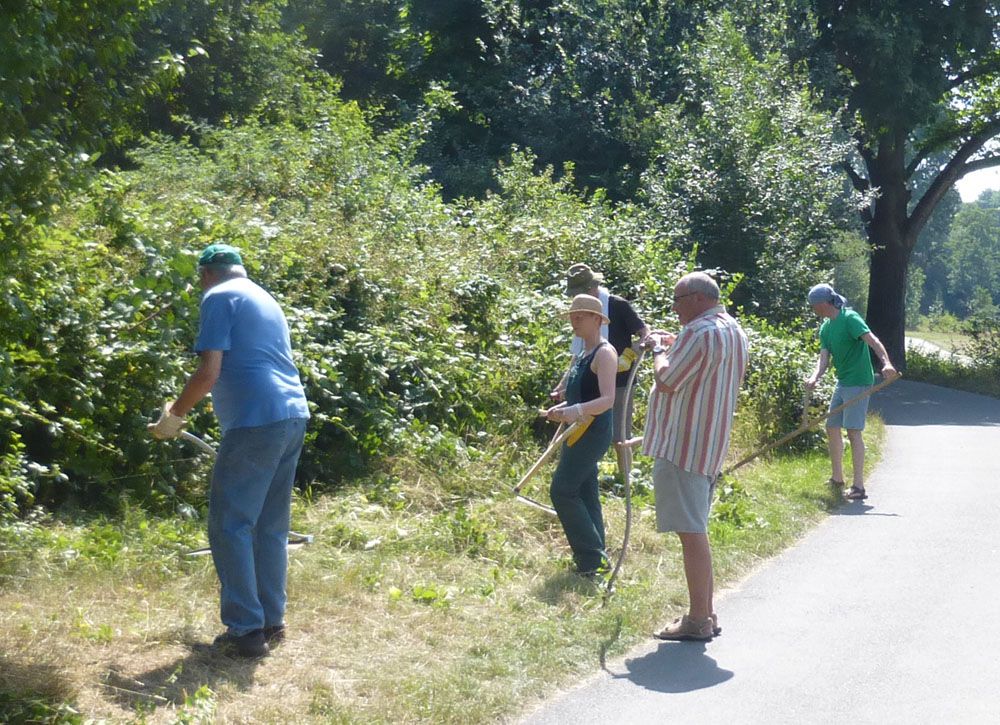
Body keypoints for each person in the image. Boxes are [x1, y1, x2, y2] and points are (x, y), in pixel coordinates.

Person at [148, 243, 310, 658]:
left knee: (230, 524)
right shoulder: (262, 296)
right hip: (292, 414)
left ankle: (245, 631)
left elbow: (209, 372)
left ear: (205, 274)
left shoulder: (218, 297)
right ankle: (271, 622)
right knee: (269, 526)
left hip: (255, 420)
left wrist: (174, 416)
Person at [642, 272, 748, 641]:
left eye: (678, 299)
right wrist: (674, 344)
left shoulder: (699, 333)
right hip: (708, 446)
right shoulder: (731, 329)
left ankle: (698, 619)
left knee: (691, 534)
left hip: (682, 447)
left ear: (698, 298)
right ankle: (707, 613)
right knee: (696, 530)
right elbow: (703, 369)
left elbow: (668, 379)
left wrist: (658, 349)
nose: (674, 307)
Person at [543, 294, 618, 577]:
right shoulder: (581, 355)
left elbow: (608, 399)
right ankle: (597, 557)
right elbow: (580, 395)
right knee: (585, 491)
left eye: (581, 317)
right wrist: (560, 409)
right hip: (576, 429)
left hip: (593, 431)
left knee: (562, 490)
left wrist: (574, 410)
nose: (575, 321)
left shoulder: (604, 353)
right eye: (573, 317)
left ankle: (589, 559)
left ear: (597, 320)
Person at [804, 283, 897, 501]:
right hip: (843, 381)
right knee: (832, 426)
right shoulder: (826, 328)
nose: (812, 309)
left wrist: (886, 363)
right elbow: (824, 359)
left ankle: (859, 487)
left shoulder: (850, 319)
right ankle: (838, 478)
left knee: (853, 431)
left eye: (814, 306)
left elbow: (873, 341)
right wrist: (814, 377)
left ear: (824, 304)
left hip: (859, 381)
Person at [553, 263, 650, 443]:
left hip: (620, 380)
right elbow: (580, 352)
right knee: (586, 437)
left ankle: (624, 471)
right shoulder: (581, 312)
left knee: (619, 438)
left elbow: (645, 333)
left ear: (592, 287)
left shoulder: (618, 305)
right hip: (590, 380)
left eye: (579, 292)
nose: (577, 297)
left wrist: (629, 355)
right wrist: (563, 384)